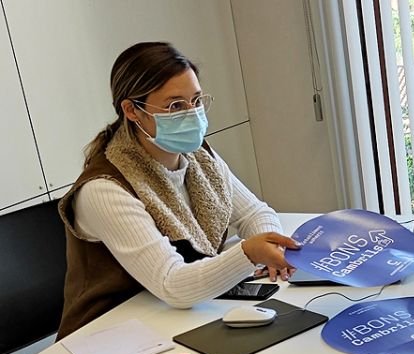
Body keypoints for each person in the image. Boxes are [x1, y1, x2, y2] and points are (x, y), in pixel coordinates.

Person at [57, 42, 297, 338]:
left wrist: (268, 248)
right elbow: (172, 284)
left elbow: (255, 213)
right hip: (106, 339)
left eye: (196, 101)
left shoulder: (196, 154)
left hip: (171, 318)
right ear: (132, 110)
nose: (192, 114)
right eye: (175, 106)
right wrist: (248, 254)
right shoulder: (104, 189)